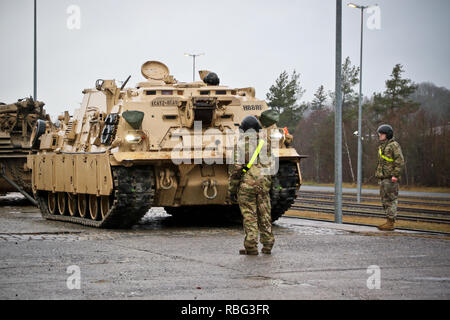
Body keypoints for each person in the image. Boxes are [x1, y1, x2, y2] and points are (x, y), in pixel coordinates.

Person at [228, 111, 279, 255]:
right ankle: (268, 244)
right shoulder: (266, 145)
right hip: (263, 185)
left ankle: (251, 246)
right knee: (265, 214)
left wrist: (232, 190)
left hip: (247, 186)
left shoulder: (239, 146)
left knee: (250, 215)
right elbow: (273, 166)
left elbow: (236, 170)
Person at [375, 124, 405, 231]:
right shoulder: (382, 146)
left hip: (390, 178)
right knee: (385, 200)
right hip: (383, 178)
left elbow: (399, 161)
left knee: (391, 200)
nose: (379, 135)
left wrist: (395, 175)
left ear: (387, 135)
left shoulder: (394, 145)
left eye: (382, 134)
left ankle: (391, 222)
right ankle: (388, 221)